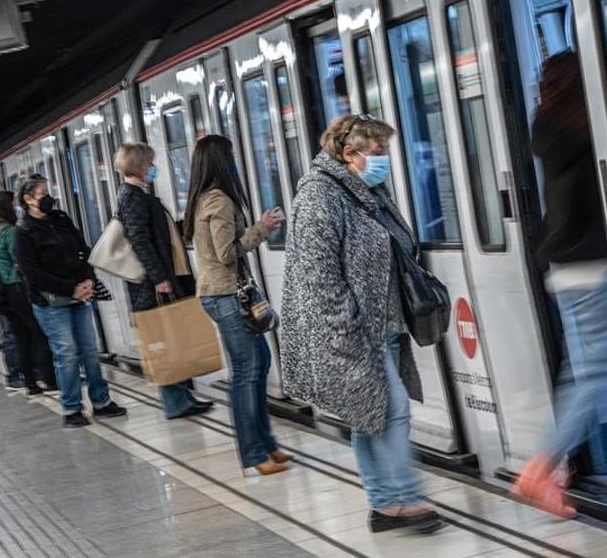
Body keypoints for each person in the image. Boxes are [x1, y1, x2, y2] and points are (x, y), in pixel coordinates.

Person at [281, 115, 442, 533]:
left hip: (383, 323)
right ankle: (409, 498)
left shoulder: (367, 190)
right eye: (377, 153)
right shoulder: (319, 196)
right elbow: (318, 275)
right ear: (349, 154)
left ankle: (385, 506)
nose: (384, 161)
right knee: (393, 409)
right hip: (351, 332)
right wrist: (348, 328)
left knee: (368, 414)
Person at [512, 52, 607, 518]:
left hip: (568, 266)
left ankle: (553, 470)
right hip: (590, 264)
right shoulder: (592, 129)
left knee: (596, 368)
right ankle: (542, 466)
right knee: (599, 371)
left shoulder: (552, 128)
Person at [184, 135, 288, 475]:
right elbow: (226, 253)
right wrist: (262, 229)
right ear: (221, 161)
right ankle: (255, 454)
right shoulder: (217, 200)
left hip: (225, 293)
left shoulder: (208, 197)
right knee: (246, 371)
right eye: (231, 156)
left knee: (259, 363)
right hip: (225, 294)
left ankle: (267, 445)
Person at [14, 175, 126, 427]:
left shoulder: (60, 219)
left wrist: (87, 280)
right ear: (28, 199)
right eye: (43, 194)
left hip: (79, 294)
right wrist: (70, 289)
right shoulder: (23, 232)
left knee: (89, 349)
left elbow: (82, 250)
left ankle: (101, 402)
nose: (49, 198)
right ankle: (71, 408)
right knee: (66, 354)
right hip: (51, 302)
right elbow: (32, 273)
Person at [114, 142, 213, 419]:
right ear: (138, 165)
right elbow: (140, 241)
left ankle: (183, 396)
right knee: (164, 342)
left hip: (163, 277)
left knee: (171, 339)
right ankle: (176, 402)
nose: (153, 168)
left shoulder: (138, 194)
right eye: (150, 163)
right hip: (153, 284)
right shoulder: (132, 196)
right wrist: (159, 278)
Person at [0, 190, 57, 396]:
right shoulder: (10, 232)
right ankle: (50, 379)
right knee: (40, 334)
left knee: (21, 338)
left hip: (4, 293)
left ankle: (30, 383)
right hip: (18, 289)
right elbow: (19, 261)